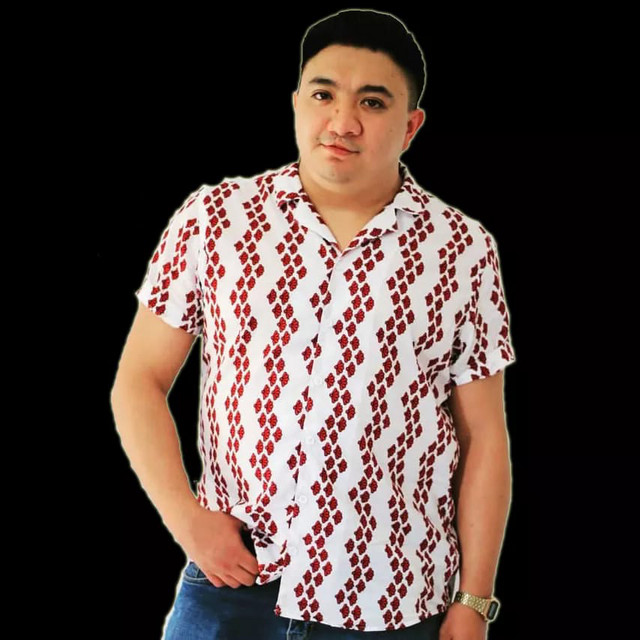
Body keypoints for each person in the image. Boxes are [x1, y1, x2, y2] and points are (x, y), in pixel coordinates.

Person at [111, 9, 516, 640]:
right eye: (324, 94)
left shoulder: (461, 248)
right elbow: (139, 380)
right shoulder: (216, 219)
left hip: (394, 598)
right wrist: (187, 521)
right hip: (231, 584)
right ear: (298, 102)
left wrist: (474, 601)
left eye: (372, 102)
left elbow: (483, 436)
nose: (343, 121)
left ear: (411, 125)